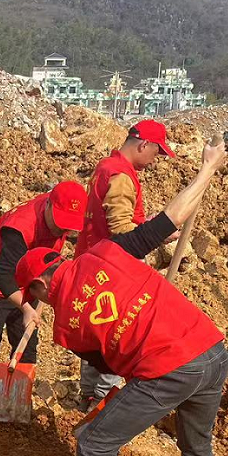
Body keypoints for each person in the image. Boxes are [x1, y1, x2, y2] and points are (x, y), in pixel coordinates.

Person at [14, 140, 228, 456]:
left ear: (39, 285)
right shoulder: (107, 252)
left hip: (167, 369)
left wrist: (103, 412)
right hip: (211, 351)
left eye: (33, 295)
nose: (39, 302)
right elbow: (165, 222)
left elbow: (114, 370)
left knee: (94, 444)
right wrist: (207, 170)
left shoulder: (66, 329)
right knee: (197, 444)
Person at [0, 181, 88, 432]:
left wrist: (36, 302)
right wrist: (26, 308)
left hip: (28, 284)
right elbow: (3, 274)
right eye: (61, 223)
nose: (63, 230)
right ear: (49, 205)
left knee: (27, 347)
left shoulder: (62, 216)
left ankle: (15, 414)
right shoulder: (20, 227)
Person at [77, 119, 175, 409]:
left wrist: (149, 226)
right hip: (112, 268)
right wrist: (157, 232)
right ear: (143, 144)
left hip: (93, 261)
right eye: (156, 152)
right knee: (117, 333)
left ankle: (88, 394)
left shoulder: (107, 166)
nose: (155, 160)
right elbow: (120, 230)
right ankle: (101, 399)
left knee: (95, 331)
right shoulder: (120, 176)